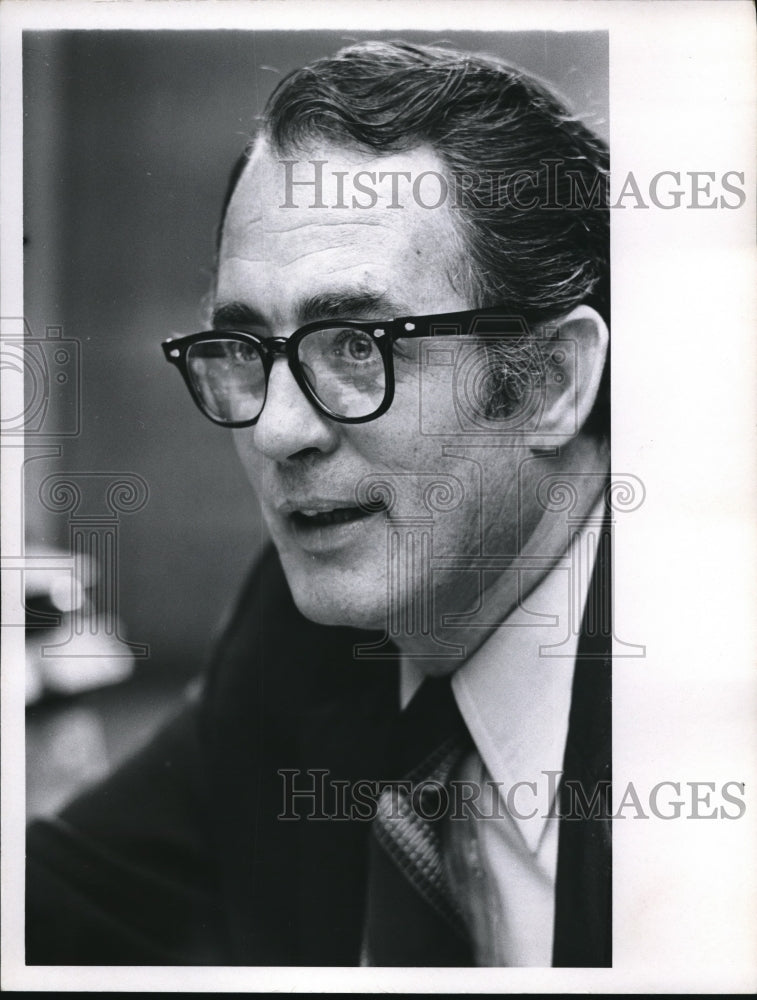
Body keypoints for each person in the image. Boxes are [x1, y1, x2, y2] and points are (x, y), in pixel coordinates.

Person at [26, 40, 611, 967]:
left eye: (357, 344)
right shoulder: (302, 639)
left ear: (549, 380)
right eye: (246, 346)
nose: (276, 432)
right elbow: (49, 905)